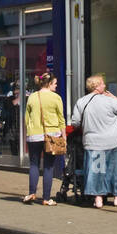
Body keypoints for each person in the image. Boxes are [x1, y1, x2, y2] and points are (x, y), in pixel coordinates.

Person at [69, 75, 117, 209]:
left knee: (97, 171)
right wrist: (114, 97)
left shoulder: (82, 101)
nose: (105, 86)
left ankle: (98, 200)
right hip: (113, 141)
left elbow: (75, 122)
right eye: (103, 84)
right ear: (97, 86)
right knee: (116, 170)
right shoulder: (109, 101)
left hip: (93, 143)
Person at [24, 72, 66, 205]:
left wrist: (30, 130)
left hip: (34, 135)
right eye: (55, 83)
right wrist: (63, 135)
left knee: (34, 164)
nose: (56, 86)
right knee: (48, 167)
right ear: (49, 84)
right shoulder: (56, 98)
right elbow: (61, 119)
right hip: (52, 135)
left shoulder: (32, 97)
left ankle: (31, 193)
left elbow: (26, 118)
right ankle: (47, 199)